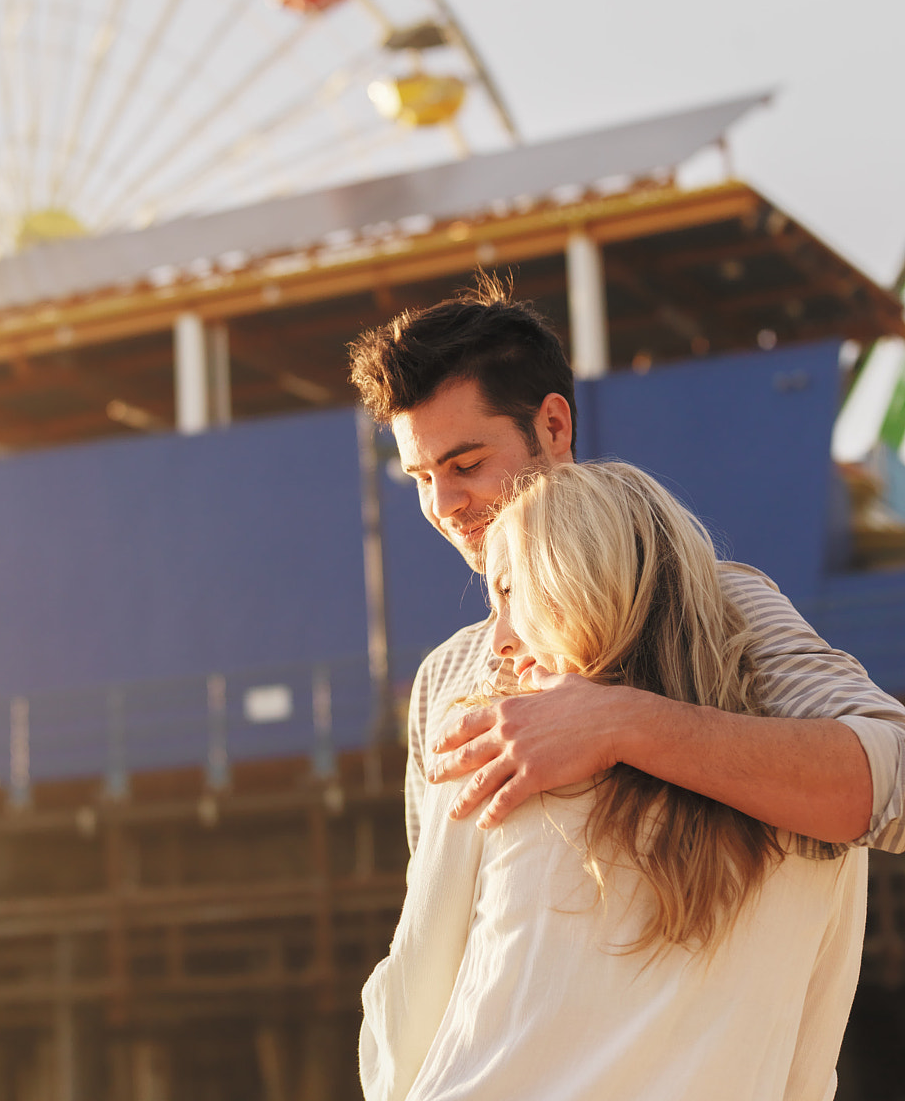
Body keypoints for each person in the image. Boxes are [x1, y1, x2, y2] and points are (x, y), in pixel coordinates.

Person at [357, 460, 867, 1100]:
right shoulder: (818, 810)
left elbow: (405, 1030)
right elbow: (809, 1067)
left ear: (574, 584)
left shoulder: (502, 756)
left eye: (511, 592)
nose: (501, 644)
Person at [348, 280, 905, 862]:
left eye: (466, 463)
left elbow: (895, 781)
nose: (441, 505)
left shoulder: (717, 600)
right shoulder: (441, 678)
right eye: (419, 478)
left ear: (554, 427)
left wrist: (619, 725)